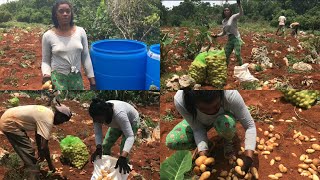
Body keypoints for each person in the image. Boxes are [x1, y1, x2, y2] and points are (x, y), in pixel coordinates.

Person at [166, 90, 257, 175]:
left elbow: (250, 126)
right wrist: (203, 152)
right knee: (172, 141)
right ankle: (207, 145)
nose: (212, 111)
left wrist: (249, 156)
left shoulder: (230, 95)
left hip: (224, 120)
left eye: (216, 106)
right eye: (203, 109)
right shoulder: (181, 100)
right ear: (193, 103)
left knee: (226, 124)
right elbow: (197, 129)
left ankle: (228, 140)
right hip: (200, 122)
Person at [0, 103, 72, 180]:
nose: (61, 123)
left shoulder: (47, 112)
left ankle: (25, 170)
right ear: (60, 116)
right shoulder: (48, 119)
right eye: (63, 120)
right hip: (9, 124)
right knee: (31, 157)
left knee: (28, 152)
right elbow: (44, 146)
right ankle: (32, 175)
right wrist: (50, 165)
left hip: (9, 117)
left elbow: (38, 134)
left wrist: (40, 151)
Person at [41, 0, 96, 90]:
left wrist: (92, 81)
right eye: (61, 11)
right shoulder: (48, 36)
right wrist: (46, 75)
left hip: (76, 78)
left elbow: (85, 57)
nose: (65, 14)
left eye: (68, 11)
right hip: (57, 79)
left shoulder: (80, 32)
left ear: (71, 14)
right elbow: (45, 61)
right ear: (55, 15)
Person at [89, 99, 140, 174]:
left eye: (99, 119)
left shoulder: (119, 114)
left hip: (131, 121)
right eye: (95, 119)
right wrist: (98, 148)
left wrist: (122, 157)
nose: (98, 122)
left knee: (124, 150)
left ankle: (123, 172)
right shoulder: (97, 116)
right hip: (117, 123)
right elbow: (98, 133)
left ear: (105, 114)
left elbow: (130, 136)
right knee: (105, 145)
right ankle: (106, 168)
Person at [212, 0, 244, 66]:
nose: (226, 11)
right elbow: (224, 32)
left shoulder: (233, 17)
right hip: (230, 39)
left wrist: (239, 5)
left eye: (228, 10)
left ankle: (242, 67)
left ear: (230, 11)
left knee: (237, 54)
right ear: (223, 12)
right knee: (226, 54)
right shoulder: (223, 21)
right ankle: (225, 68)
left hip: (236, 38)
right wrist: (217, 35)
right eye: (225, 10)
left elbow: (241, 13)